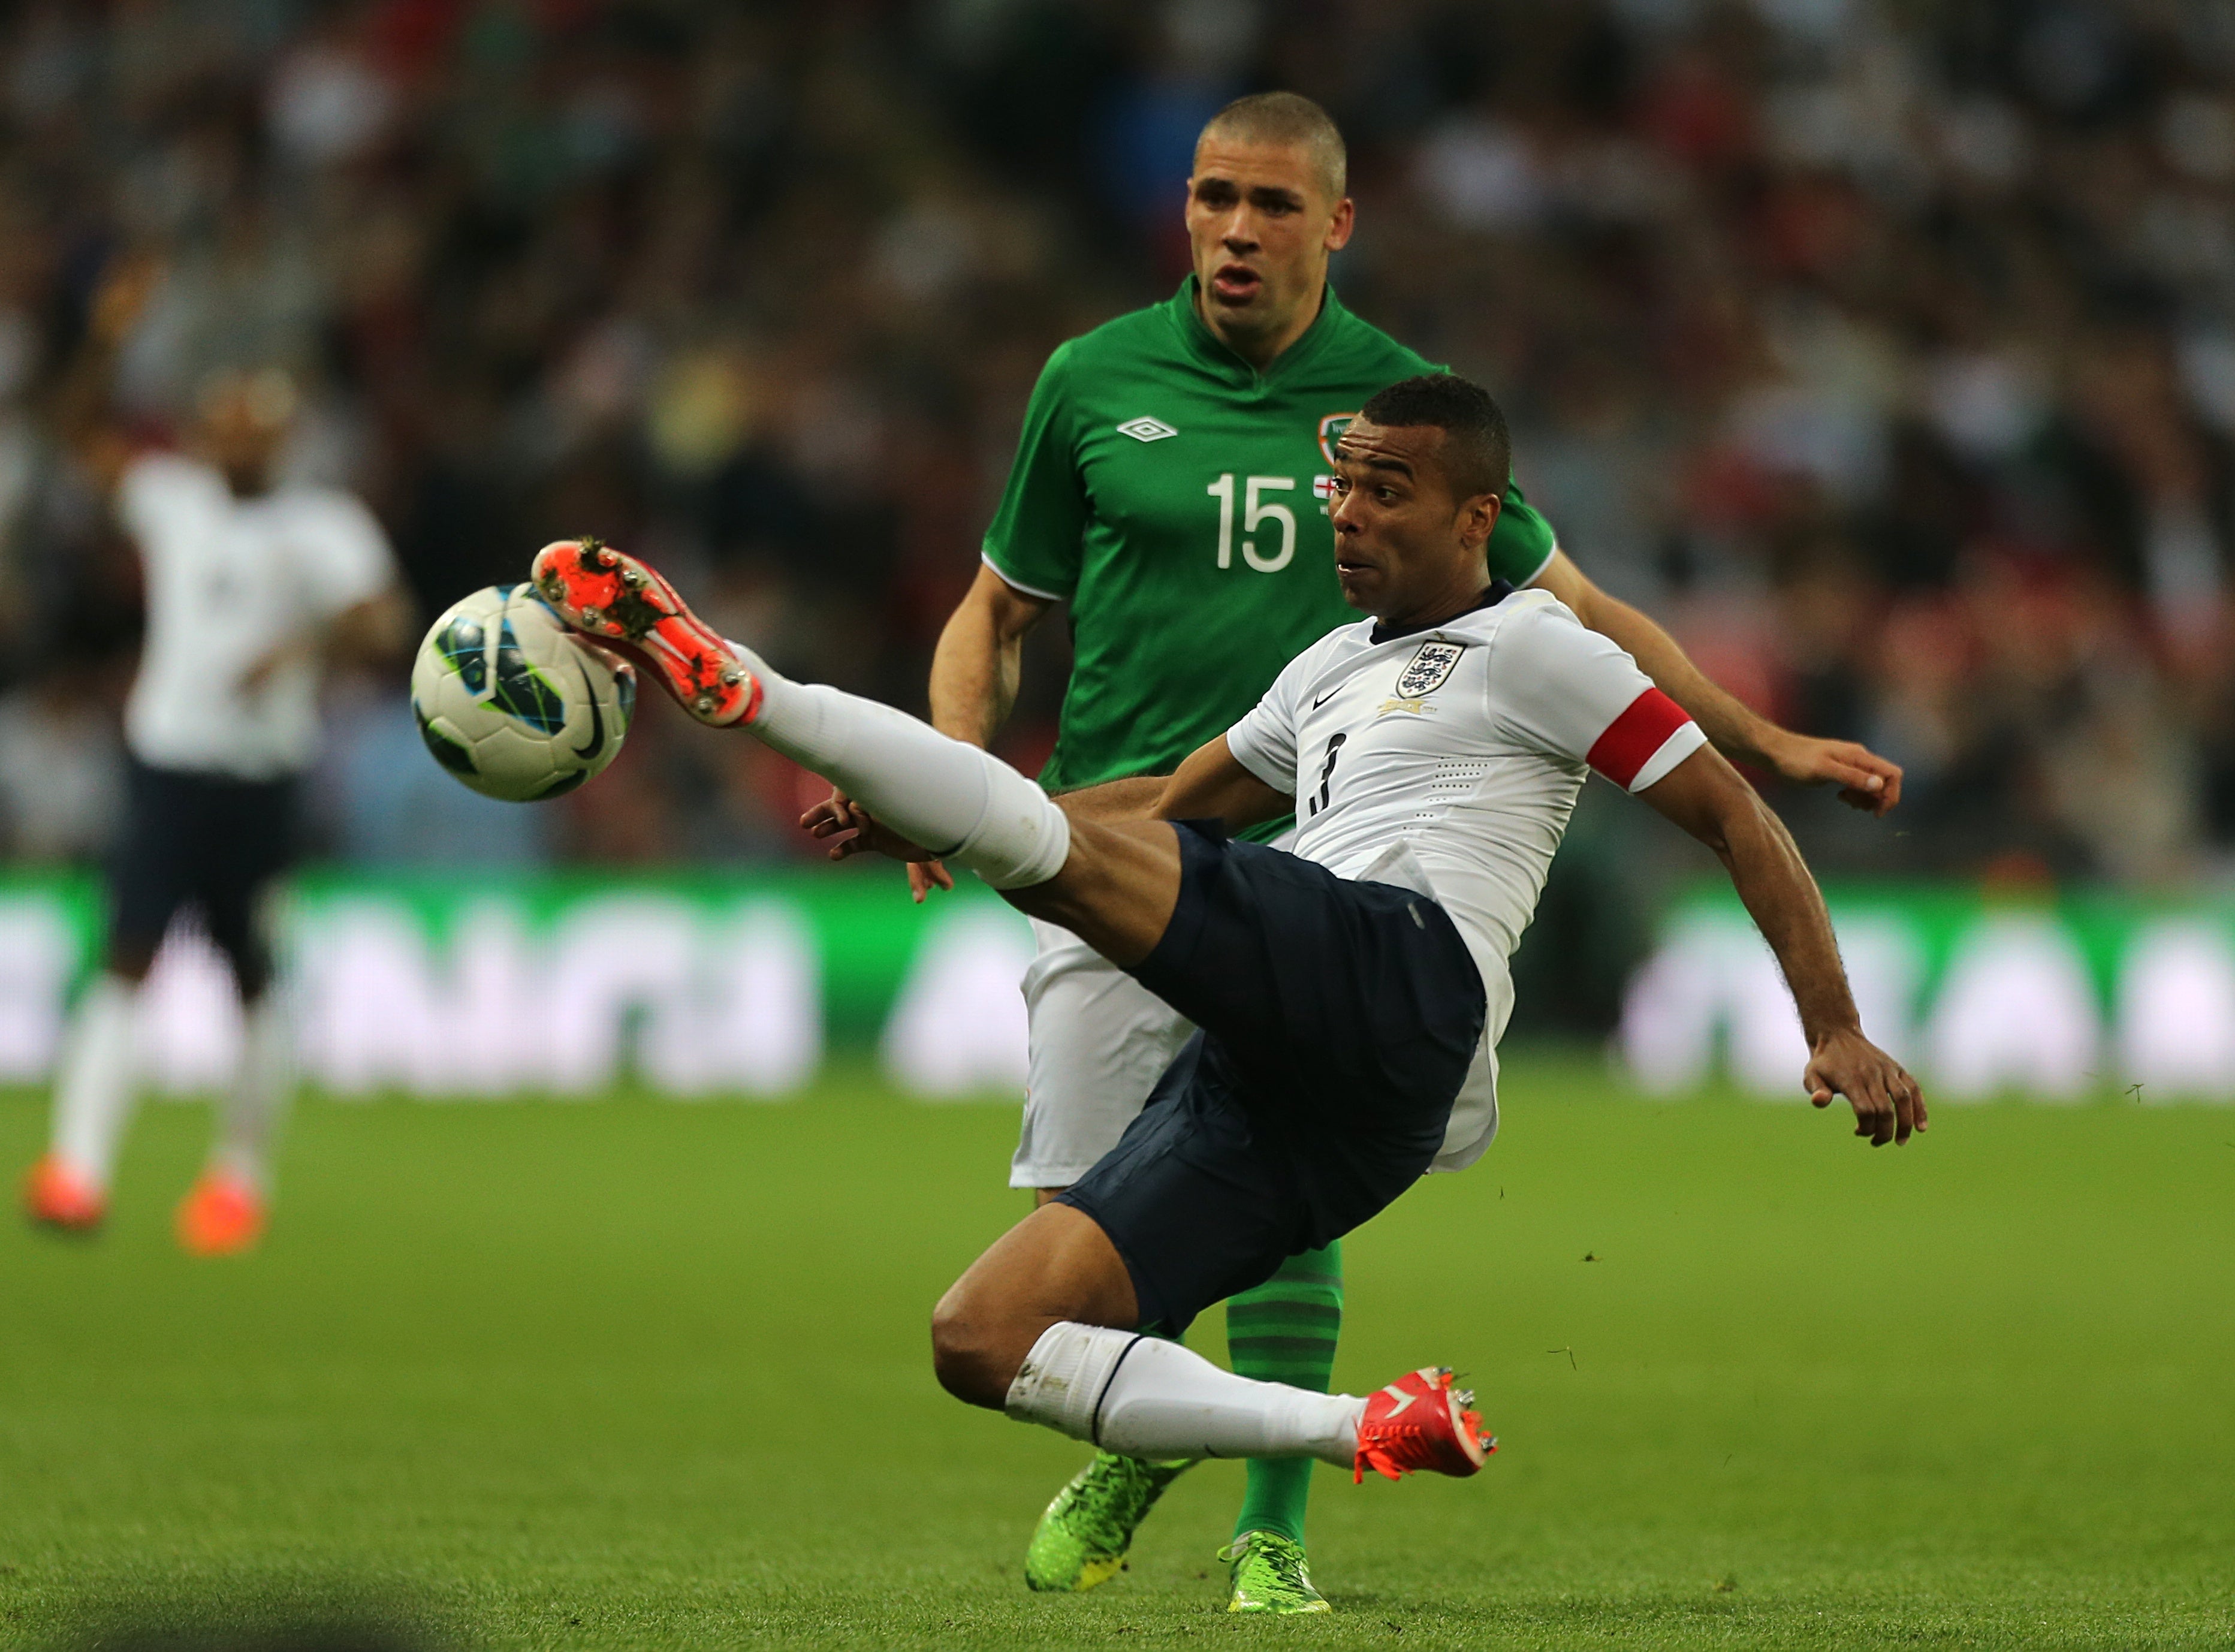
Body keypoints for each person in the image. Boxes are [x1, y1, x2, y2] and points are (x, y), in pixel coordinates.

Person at [525, 370, 1924, 1570]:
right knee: (985, 1336)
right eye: (1343, 487)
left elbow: (1731, 813)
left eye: (1386, 491)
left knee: (1060, 867)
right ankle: (1362, 1425)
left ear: (1472, 517)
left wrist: (1834, 1024)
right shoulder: (1320, 666)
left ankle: (737, 685)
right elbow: (1160, 808)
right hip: (1314, 1089)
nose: (1349, 512)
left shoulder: (1536, 649)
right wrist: (936, 817)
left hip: (1403, 969)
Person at [888, 91, 1906, 1610]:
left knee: (1282, 1178)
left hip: (1317, 871)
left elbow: (1586, 619)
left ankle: (1271, 1533)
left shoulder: (1400, 419)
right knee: (1088, 1241)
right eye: (1215, 198)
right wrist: (957, 774)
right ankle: (1168, 1433)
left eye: (1274, 205)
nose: (1238, 229)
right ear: (1182, 206)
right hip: (1115, 836)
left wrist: (1759, 741)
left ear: (1335, 223)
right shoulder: (1089, 381)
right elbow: (996, 609)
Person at [22, 324, 408, 1255]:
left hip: (261, 782)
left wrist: (302, 643)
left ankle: (237, 1178)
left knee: (254, 980)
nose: (235, 445)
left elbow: (386, 621)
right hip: (167, 767)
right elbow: (71, 431)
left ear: (281, 439)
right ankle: (77, 1169)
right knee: (127, 954)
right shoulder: (174, 500)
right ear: (202, 434)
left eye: (254, 430)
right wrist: (105, 338)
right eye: (222, 428)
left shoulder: (323, 526)